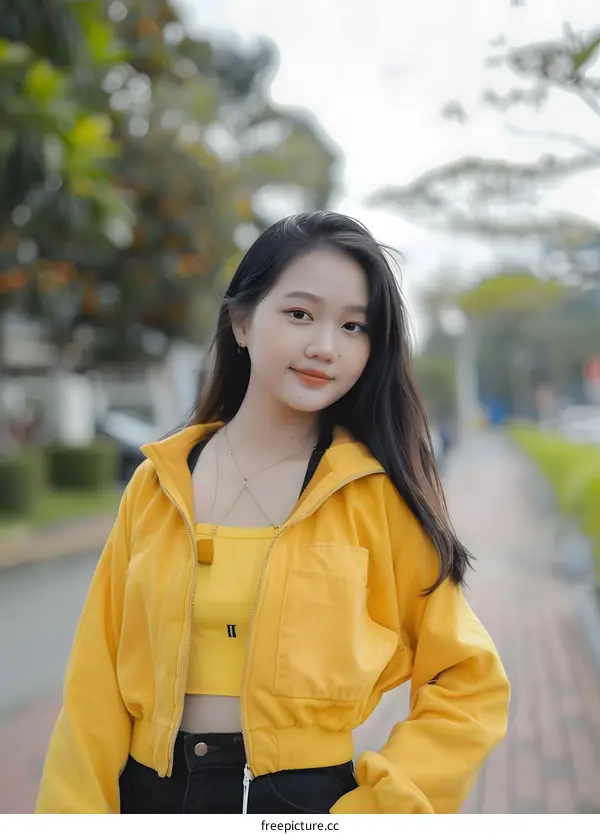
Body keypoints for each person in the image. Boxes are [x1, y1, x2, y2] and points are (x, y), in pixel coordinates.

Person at [36, 212, 509, 815]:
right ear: (241, 322)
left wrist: (378, 811)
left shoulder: (373, 496)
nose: (325, 346)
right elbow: (93, 686)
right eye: (300, 314)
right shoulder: (158, 485)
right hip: (147, 796)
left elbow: (469, 681)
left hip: (305, 804)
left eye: (354, 326)